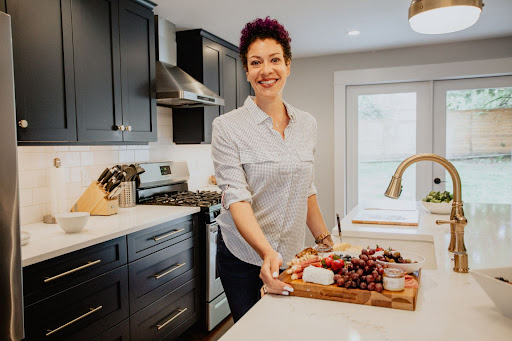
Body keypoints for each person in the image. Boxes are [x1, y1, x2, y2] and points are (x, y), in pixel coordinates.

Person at [211, 17, 333, 322]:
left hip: (291, 252)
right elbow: (237, 199)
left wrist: (325, 242)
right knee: (254, 328)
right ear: (247, 70)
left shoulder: (307, 124)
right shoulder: (227, 127)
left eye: (274, 60)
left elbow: (307, 188)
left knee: (288, 325)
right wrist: (267, 253)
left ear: (288, 65)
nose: (266, 70)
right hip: (241, 254)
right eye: (256, 62)